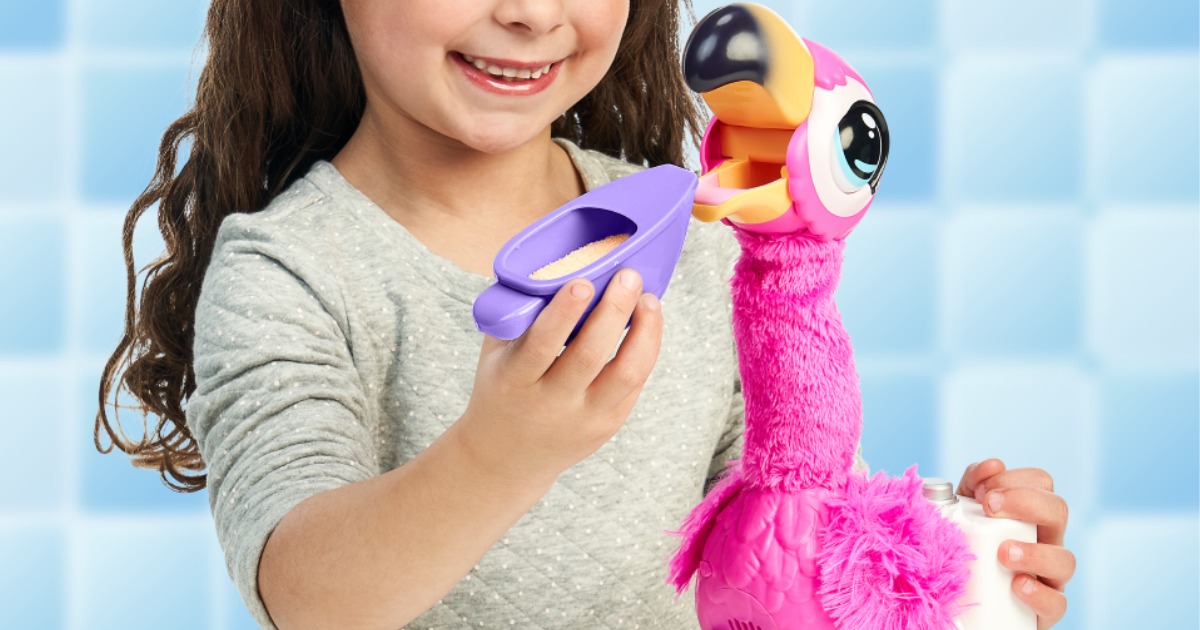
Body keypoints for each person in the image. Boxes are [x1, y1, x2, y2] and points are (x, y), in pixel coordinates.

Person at [94, 1, 1075, 628]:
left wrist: (946, 563)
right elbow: (307, 594)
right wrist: (499, 452)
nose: (528, 12)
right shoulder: (294, 271)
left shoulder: (697, 238)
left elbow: (778, 553)